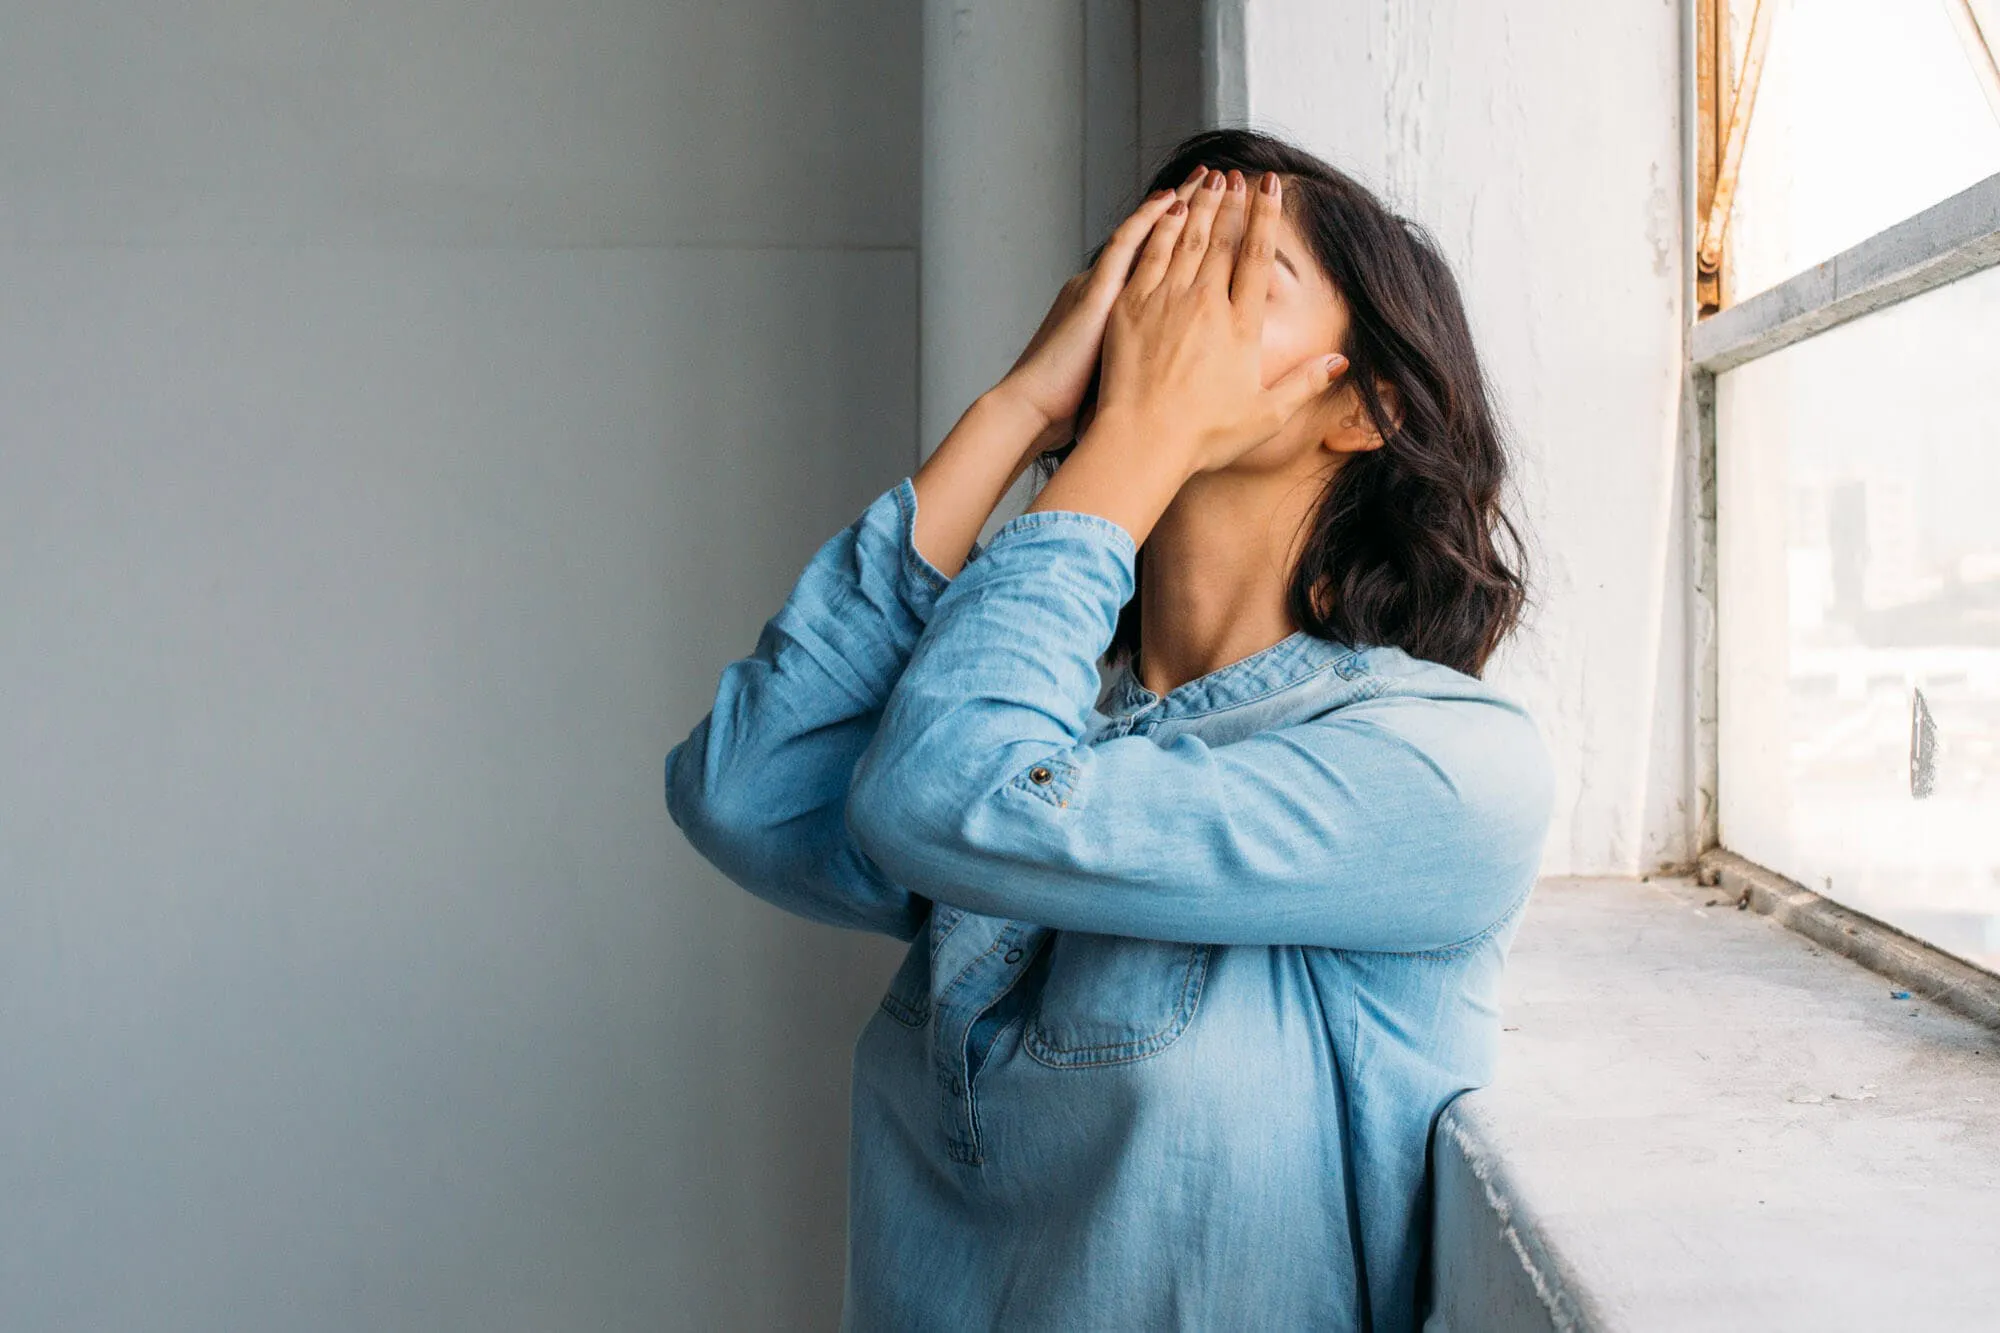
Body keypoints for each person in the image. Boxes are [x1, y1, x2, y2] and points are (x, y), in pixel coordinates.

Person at [665, 127, 1554, 1331]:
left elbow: (950, 792)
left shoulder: (1439, 768)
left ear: (1363, 408)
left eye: (1236, 269)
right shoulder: (1046, 710)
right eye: (1148, 254)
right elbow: (746, 788)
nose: (1163, 301)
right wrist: (1022, 406)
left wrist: (1136, 438)